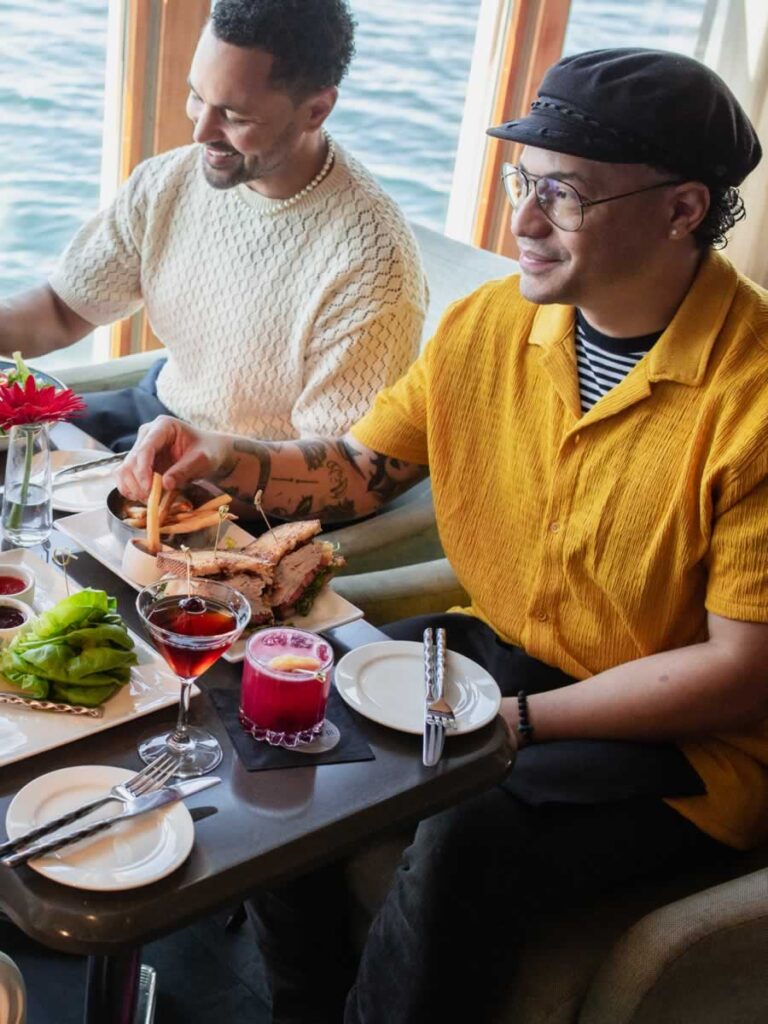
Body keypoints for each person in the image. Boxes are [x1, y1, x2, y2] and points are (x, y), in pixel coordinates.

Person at [117, 48, 768, 1023]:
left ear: (682, 209)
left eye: (564, 195)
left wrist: (523, 722)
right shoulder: (492, 325)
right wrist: (228, 457)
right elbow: (362, 472)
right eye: (522, 183)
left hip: (686, 738)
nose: (523, 222)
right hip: (506, 653)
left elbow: (741, 672)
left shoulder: (752, 395)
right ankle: (303, 1002)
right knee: (276, 700)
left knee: (471, 828)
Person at [0, 0, 427, 451]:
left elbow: (336, 464)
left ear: (316, 111)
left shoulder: (373, 266)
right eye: (197, 97)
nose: (200, 131)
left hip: (254, 474)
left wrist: (209, 465)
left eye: (235, 116)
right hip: (151, 410)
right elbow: (61, 311)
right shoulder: (168, 181)